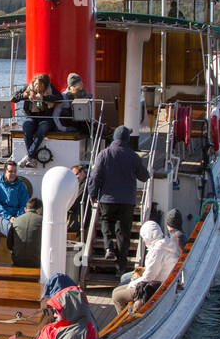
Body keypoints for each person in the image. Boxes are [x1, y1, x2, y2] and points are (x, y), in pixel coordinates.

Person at [89, 125, 150, 274]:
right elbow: (144, 176)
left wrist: (93, 194)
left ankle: (108, 247)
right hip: (127, 200)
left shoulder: (104, 154)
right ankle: (121, 267)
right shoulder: (133, 156)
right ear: (127, 139)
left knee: (105, 221)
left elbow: (95, 176)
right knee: (123, 233)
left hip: (107, 198)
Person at [111, 221, 179, 310]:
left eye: (144, 237)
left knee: (117, 297)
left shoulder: (157, 251)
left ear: (149, 236)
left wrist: (132, 283)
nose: (143, 240)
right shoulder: (167, 244)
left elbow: (149, 278)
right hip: (163, 285)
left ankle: (125, 323)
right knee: (116, 290)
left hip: (153, 288)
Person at [10, 73, 63, 166]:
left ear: (45, 85)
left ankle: (29, 156)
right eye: (35, 84)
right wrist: (23, 96)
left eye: (40, 85)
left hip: (46, 118)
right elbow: (13, 97)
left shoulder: (50, 89)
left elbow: (60, 98)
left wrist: (44, 98)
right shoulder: (28, 88)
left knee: (42, 129)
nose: (36, 86)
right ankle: (31, 157)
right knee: (26, 126)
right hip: (32, 117)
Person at [0, 159, 31, 234]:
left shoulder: (21, 186)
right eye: (10, 171)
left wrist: (18, 217)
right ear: (5, 172)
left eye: (15, 171)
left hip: (18, 216)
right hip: (2, 216)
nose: (13, 174)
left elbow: (24, 203)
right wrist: (9, 217)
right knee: (10, 229)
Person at [7, 197, 44, 268]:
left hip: (17, 261)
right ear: (40, 209)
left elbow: (9, 245)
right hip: (36, 262)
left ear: (25, 209)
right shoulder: (43, 222)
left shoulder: (16, 221)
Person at [62, 72, 93, 138]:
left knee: (90, 127)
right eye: (79, 83)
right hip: (69, 121)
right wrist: (62, 128)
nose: (81, 84)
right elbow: (57, 114)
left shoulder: (85, 94)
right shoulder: (64, 96)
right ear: (72, 86)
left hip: (82, 120)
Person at [68, 164, 87, 233]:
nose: (75, 177)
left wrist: (68, 207)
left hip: (83, 215)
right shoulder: (81, 184)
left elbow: (77, 199)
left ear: (82, 172)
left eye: (76, 174)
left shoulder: (85, 184)